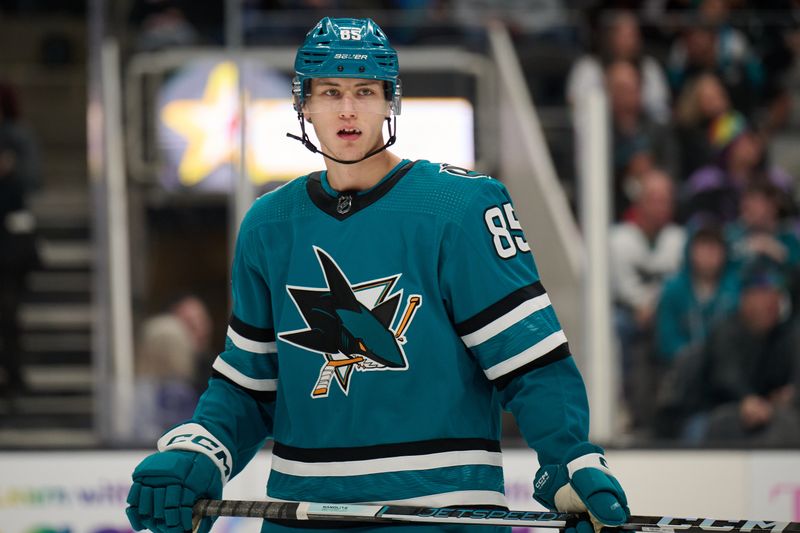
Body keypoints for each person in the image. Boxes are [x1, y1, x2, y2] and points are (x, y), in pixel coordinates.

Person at [125, 17, 630, 533]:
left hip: (442, 512)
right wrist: (201, 450)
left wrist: (570, 459)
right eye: (331, 91)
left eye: (365, 90)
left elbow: (530, 361)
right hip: (303, 514)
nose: (347, 109)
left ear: (390, 101)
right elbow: (250, 382)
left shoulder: (460, 207)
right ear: (304, 104)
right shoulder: (268, 224)